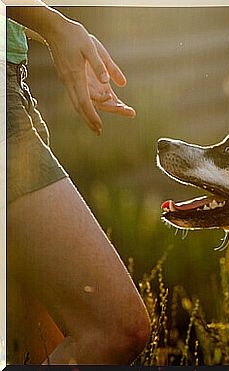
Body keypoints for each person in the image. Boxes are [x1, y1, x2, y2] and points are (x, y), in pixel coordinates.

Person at [6, 3, 150, 364]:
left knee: (35, 352)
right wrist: (57, 28)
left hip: (17, 92)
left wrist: (61, 38)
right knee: (116, 328)